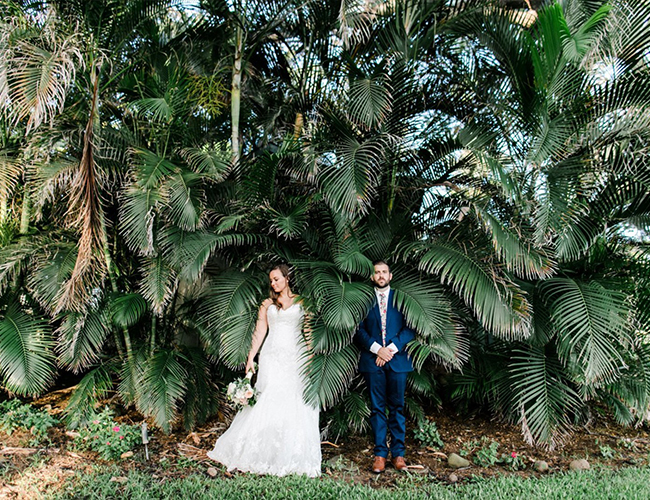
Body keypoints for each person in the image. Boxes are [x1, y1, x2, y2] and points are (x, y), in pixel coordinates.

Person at [207, 264, 321, 477]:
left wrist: (310, 358)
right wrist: (251, 357)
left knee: (293, 400)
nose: (273, 283)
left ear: (287, 278)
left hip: (296, 357)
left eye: (277, 279)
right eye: (271, 280)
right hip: (271, 356)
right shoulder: (267, 304)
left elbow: (308, 333)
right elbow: (260, 331)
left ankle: (288, 453)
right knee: (267, 397)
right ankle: (263, 451)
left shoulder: (303, 302)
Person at [354, 260, 415, 473]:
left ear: (390, 276)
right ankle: (380, 454)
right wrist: (376, 349)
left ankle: (399, 454)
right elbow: (358, 330)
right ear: (372, 277)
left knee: (397, 408)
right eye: (377, 272)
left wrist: (389, 349)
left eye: (384, 272)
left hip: (397, 361)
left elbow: (410, 328)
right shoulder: (364, 300)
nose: (380, 275)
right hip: (372, 361)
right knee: (377, 408)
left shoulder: (401, 299)